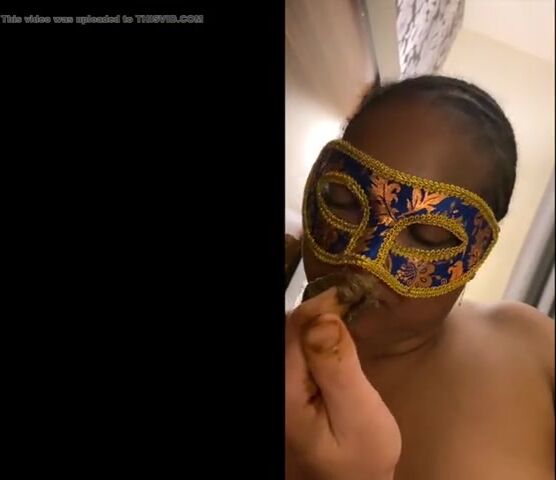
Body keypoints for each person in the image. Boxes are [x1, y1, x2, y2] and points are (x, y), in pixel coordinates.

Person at [285, 75, 555, 480]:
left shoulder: (532, 347)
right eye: (343, 203)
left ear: (478, 252)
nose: (365, 259)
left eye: (427, 236)